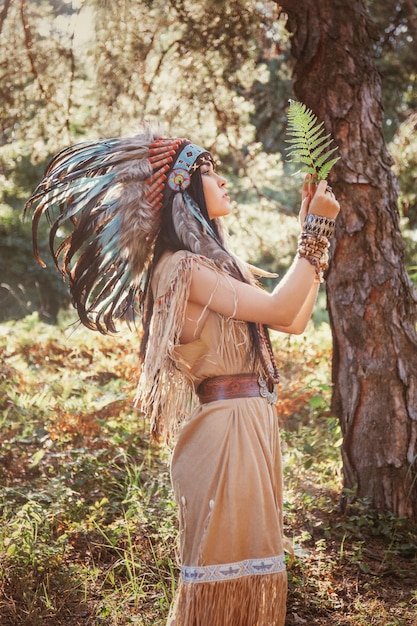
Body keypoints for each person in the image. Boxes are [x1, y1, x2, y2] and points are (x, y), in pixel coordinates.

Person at [25, 124, 340, 625]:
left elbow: (296, 322)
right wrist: (313, 234)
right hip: (224, 431)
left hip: (252, 422)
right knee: (222, 585)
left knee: (253, 578)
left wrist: (313, 239)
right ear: (184, 188)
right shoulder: (184, 269)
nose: (224, 182)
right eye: (210, 173)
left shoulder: (216, 267)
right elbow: (282, 310)